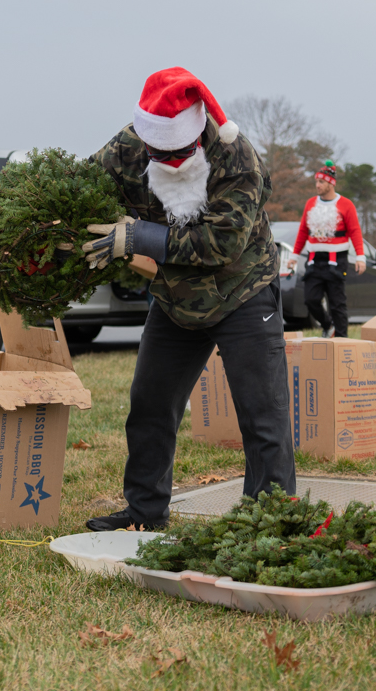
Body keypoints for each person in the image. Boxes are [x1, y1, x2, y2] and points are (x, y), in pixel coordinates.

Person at [80, 67, 296, 532]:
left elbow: (220, 245)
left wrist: (139, 237)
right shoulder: (126, 148)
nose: (173, 162)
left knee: (263, 417)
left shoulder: (237, 157)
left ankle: (269, 525)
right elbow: (80, 187)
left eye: (181, 152)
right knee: (150, 405)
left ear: (198, 136)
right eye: (162, 154)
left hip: (243, 292)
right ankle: (144, 514)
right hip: (176, 302)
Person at [286, 161, 365, 337]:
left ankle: (342, 340)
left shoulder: (346, 205)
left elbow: (355, 232)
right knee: (310, 299)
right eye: (316, 182)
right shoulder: (311, 204)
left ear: (331, 183)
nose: (317, 185)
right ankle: (327, 325)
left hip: (337, 260)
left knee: (337, 303)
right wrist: (294, 256)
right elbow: (303, 232)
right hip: (314, 260)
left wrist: (361, 256)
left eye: (321, 182)